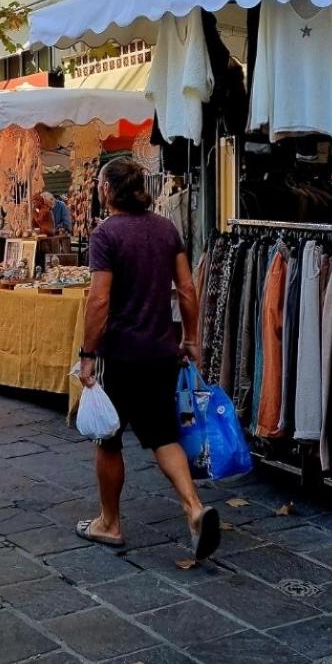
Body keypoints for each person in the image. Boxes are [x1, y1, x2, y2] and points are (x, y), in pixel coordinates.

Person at [77, 156, 220, 559]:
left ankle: (109, 522)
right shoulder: (165, 229)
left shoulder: (105, 234)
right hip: (161, 350)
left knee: (108, 438)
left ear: (107, 190)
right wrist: (191, 338)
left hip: (121, 353)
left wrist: (88, 354)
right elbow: (188, 290)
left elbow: (99, 299)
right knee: (162, 434)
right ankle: (194, 508)